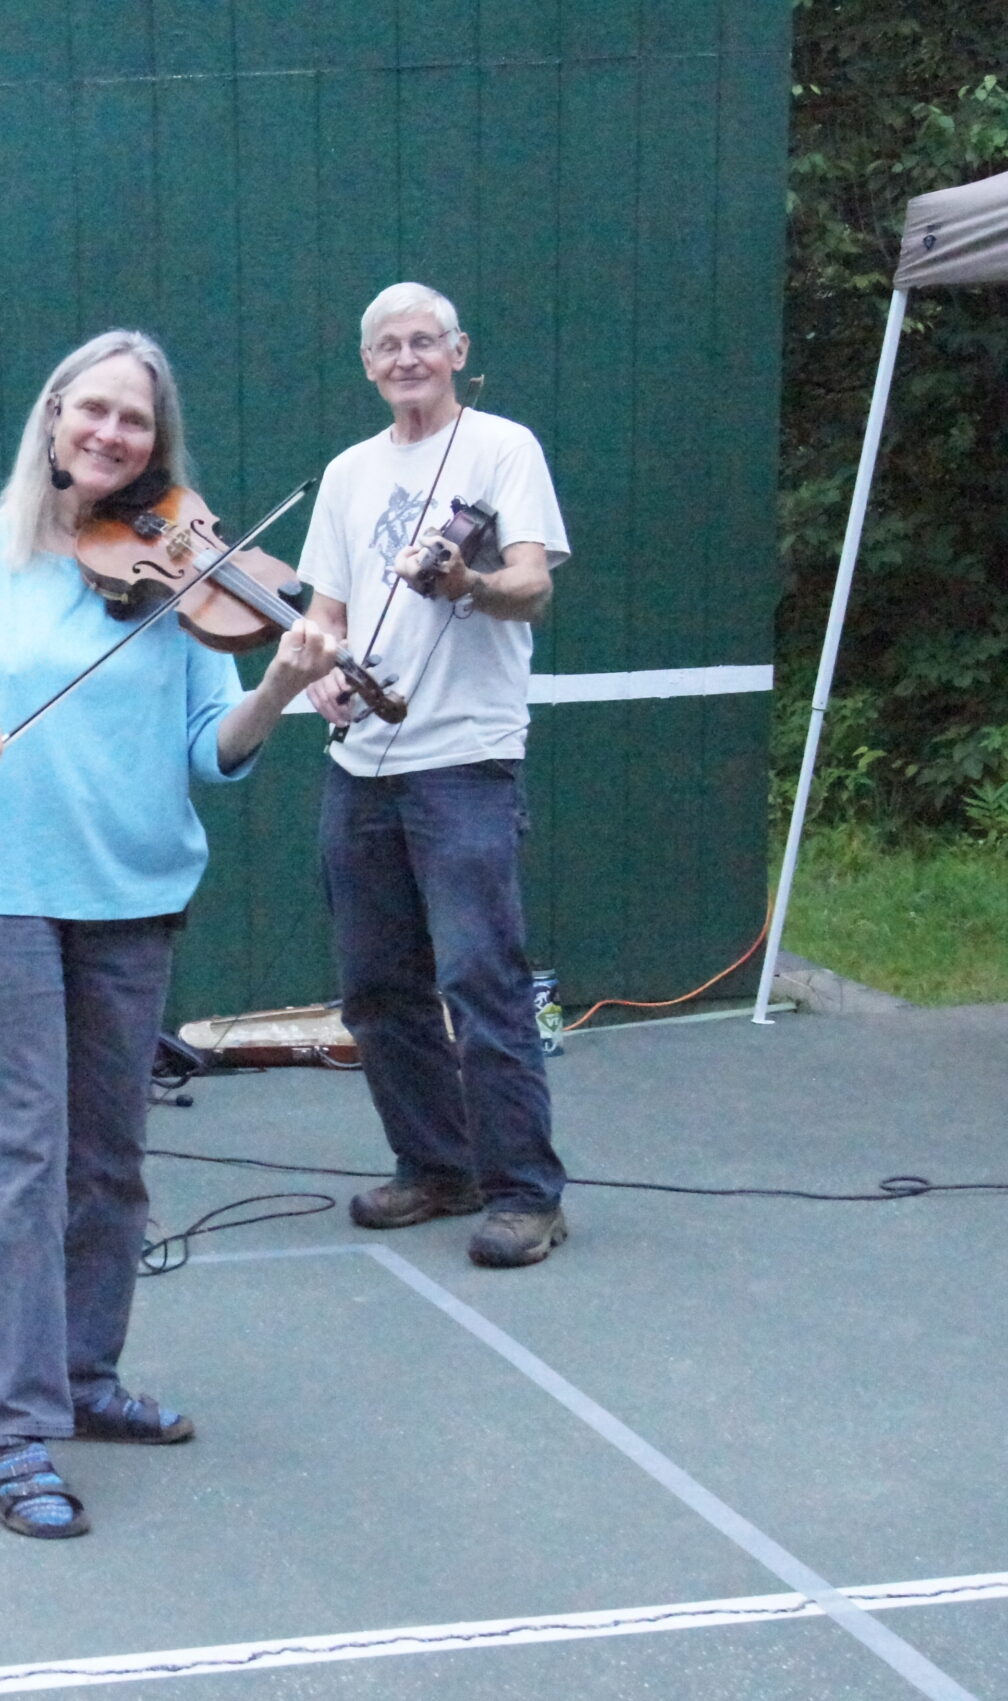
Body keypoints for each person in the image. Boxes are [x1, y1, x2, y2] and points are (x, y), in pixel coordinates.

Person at [0, 332, 339, 1539]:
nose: (110, 435)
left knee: (110, 1159)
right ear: (52, 420)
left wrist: (282, 687)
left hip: (133, 894)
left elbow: (216, 750)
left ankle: (85, 1379)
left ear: (158, 444)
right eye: (91, 411)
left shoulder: (192, 579)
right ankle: (9, 1424)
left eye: (134, 422)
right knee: (19, 1157)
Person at [297, 281, 572, 1269]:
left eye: (424, 342)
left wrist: (468, 583)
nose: (406, 358)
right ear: (368, 365)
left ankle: (525, 1194)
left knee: (481, 979)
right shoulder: (345, 473)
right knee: (375, 986)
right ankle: (435, 1164)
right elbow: (325, 616)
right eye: (387, 346)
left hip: (464, 757)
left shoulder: (504, 449)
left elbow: (532, 586)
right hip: (361, 762)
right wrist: (321, 675)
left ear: (457, 352)